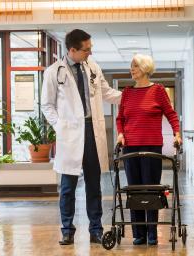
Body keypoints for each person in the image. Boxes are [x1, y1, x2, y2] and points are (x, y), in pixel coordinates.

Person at [41, 29, 122, 245]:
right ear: (72, 50)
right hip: (70, 135)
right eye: (86, 50)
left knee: (94, 185)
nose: (90, 53)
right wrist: (60, 126)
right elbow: (47, 105)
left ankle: (95, 229)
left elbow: (106, 93)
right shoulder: (53, 72)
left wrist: (133, 96)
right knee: (68, 188)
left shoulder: (92, 67)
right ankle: (67, 230)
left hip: (92, 132)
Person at [116, 54, 182, 246]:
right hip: (130, 147)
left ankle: (152, 231)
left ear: (145, 68)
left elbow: (171, 114)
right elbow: (120, 118)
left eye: (135, 66)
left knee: (151, 189)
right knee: (134, 190)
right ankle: (139, 233)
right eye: (131, 66)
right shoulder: (127, 92)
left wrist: (176, 133)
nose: (132, 69)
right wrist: (120, 133)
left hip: (152, 145)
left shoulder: (158, 90)